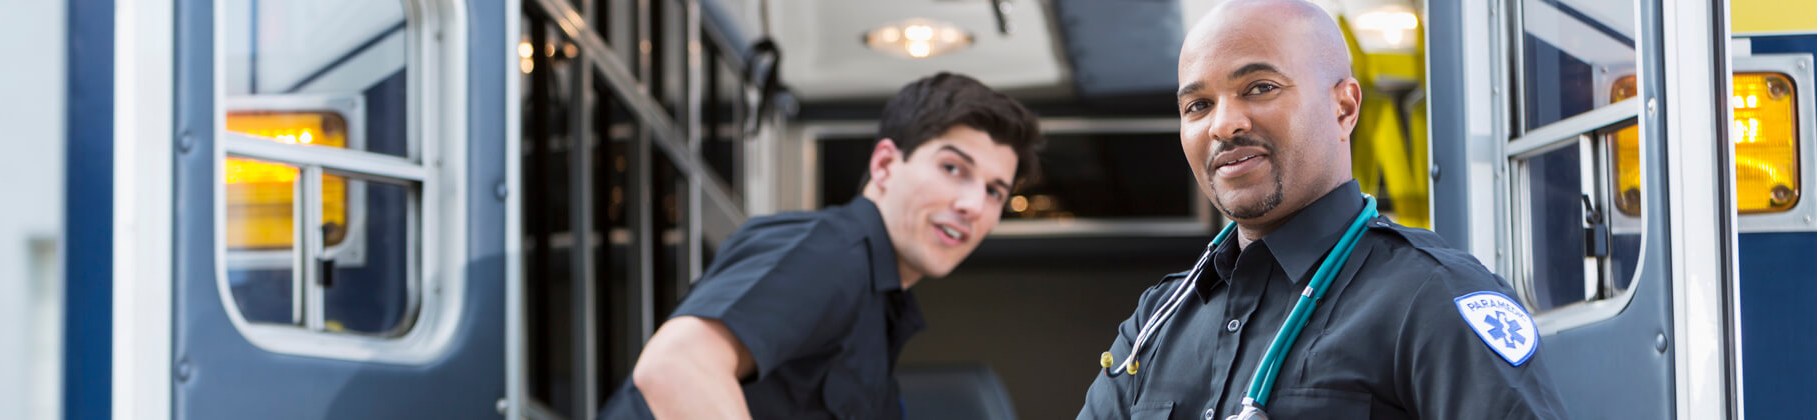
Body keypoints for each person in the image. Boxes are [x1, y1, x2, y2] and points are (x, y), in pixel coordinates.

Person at [1076, 1, 1567, 419]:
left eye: (1260, 87)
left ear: (1344, 108)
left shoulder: (1432, 297)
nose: (1224, 124)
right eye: (1198, 106)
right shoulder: (1156, 324)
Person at [598, 72, 1044, 420]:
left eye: (994, 191)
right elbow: (676, 367)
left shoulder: (881, 311)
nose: (972, 204)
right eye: (953, 167)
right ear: (886, 164)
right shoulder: (834, 252)